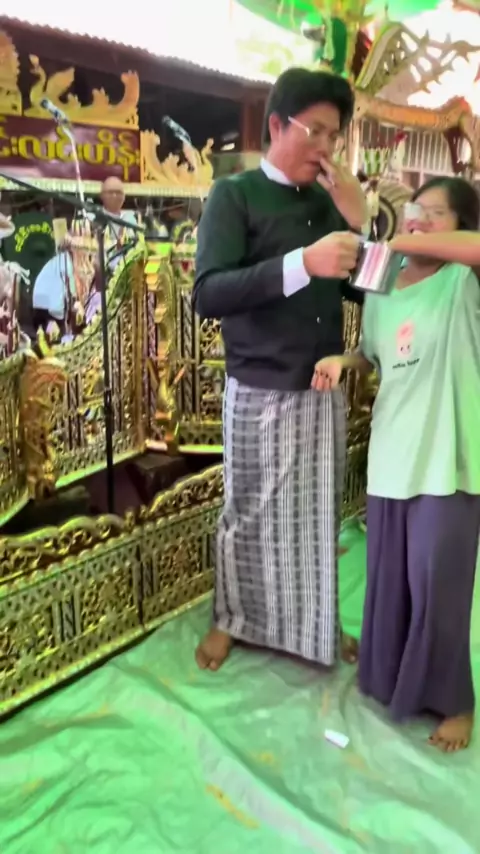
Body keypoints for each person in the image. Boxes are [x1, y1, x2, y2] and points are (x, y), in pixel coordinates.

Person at [193, 68, 368, 672]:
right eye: (314, 130)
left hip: (320, 388)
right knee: (247, 514)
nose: (325, 147)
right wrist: (303, 263)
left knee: (316, 518)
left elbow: (369, 290)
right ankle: (231, 618)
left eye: (334, 136)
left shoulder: (328, 203)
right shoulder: (235, 195)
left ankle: (317, 625)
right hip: (258, 386)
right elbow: (209, 293)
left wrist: (361, 223)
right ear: (276, 125)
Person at [312, 176, 480, 752]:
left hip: (448, 456)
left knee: (438, 582)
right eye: (416, 209)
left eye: (437, 212)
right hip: (392, 451)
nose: (421, 218)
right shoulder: (383, 281)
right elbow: (374, 351)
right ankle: (390, 677)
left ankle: (455, 701)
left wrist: (396, 236)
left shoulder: (463, 281)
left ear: (461, 225)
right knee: (391, 577)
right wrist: (345, 361)